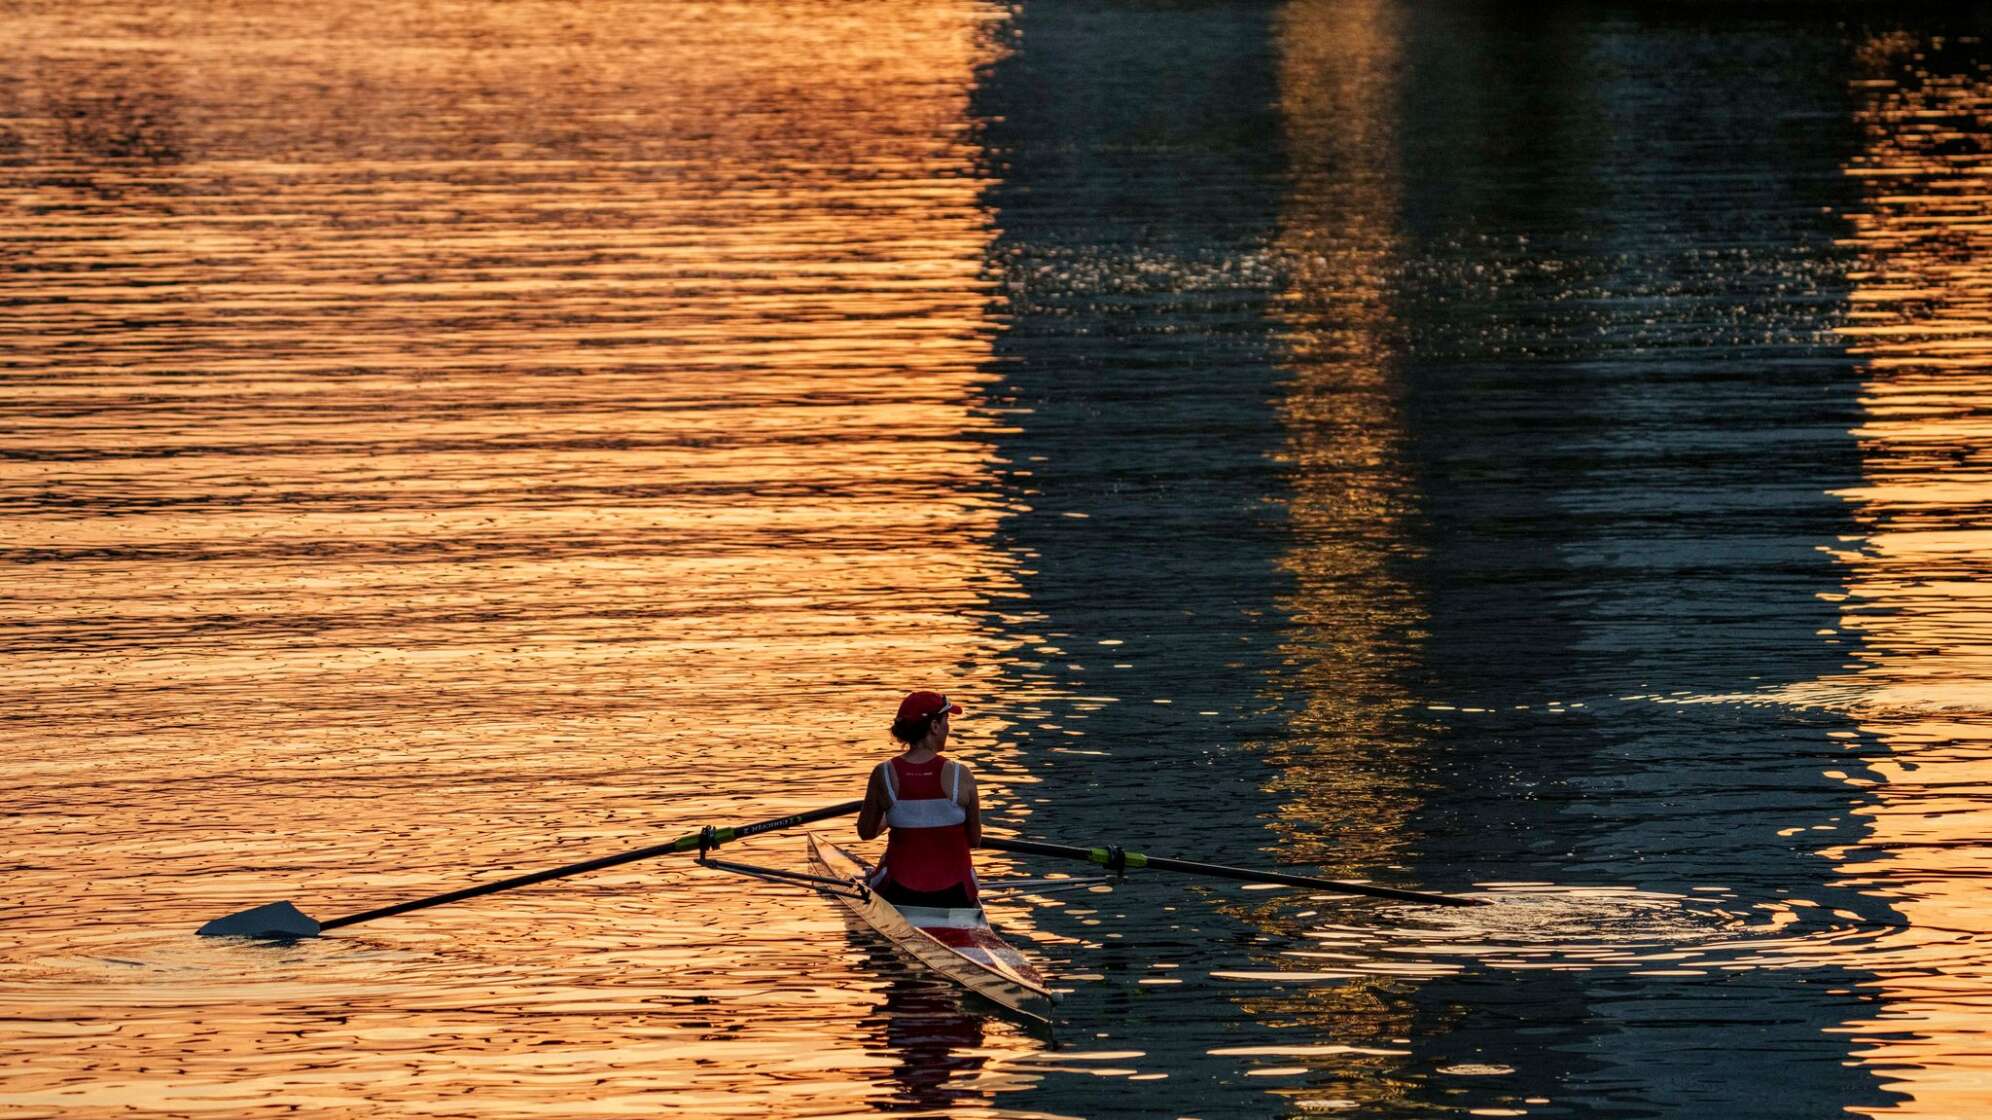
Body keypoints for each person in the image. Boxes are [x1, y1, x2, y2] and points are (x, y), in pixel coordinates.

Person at [857, 690, 981, 907]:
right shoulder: (963, 775)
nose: (947, 728)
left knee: (880, 868)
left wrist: (892, 818)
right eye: (946, 721)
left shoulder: (883, 773)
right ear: (934, 726)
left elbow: (866, 832)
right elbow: (974, 840)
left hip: (899, 892)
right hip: (957, 894)